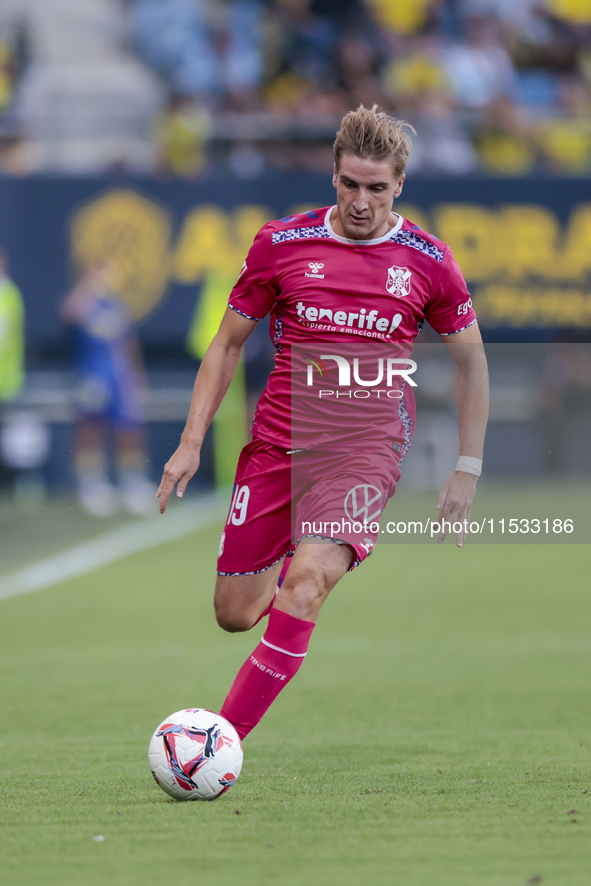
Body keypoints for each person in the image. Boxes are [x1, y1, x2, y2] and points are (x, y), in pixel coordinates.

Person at [157, 104, 489, 742]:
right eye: (349, 184)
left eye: (376, 188)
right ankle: (292, 564)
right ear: (333, 177)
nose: (361, 201)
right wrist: (190, 442)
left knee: (306, 585)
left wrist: (466, 466)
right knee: (235, 614)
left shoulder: (429, 260)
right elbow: (225, 345)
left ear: (399, 187)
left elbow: (472, 364)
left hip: (365, 453)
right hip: (279, 447)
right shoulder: (280, 244)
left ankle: (214, 745)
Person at [60, 260, 156, 517]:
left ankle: (132, 481)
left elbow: (129, 341)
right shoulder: (83, 301)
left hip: (120, 376)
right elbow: (68, 312)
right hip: (92, 377)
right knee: (90, 428)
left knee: (129, 429)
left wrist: (137, 375)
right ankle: (92, 484)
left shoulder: (116, 305)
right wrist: (87, 286)